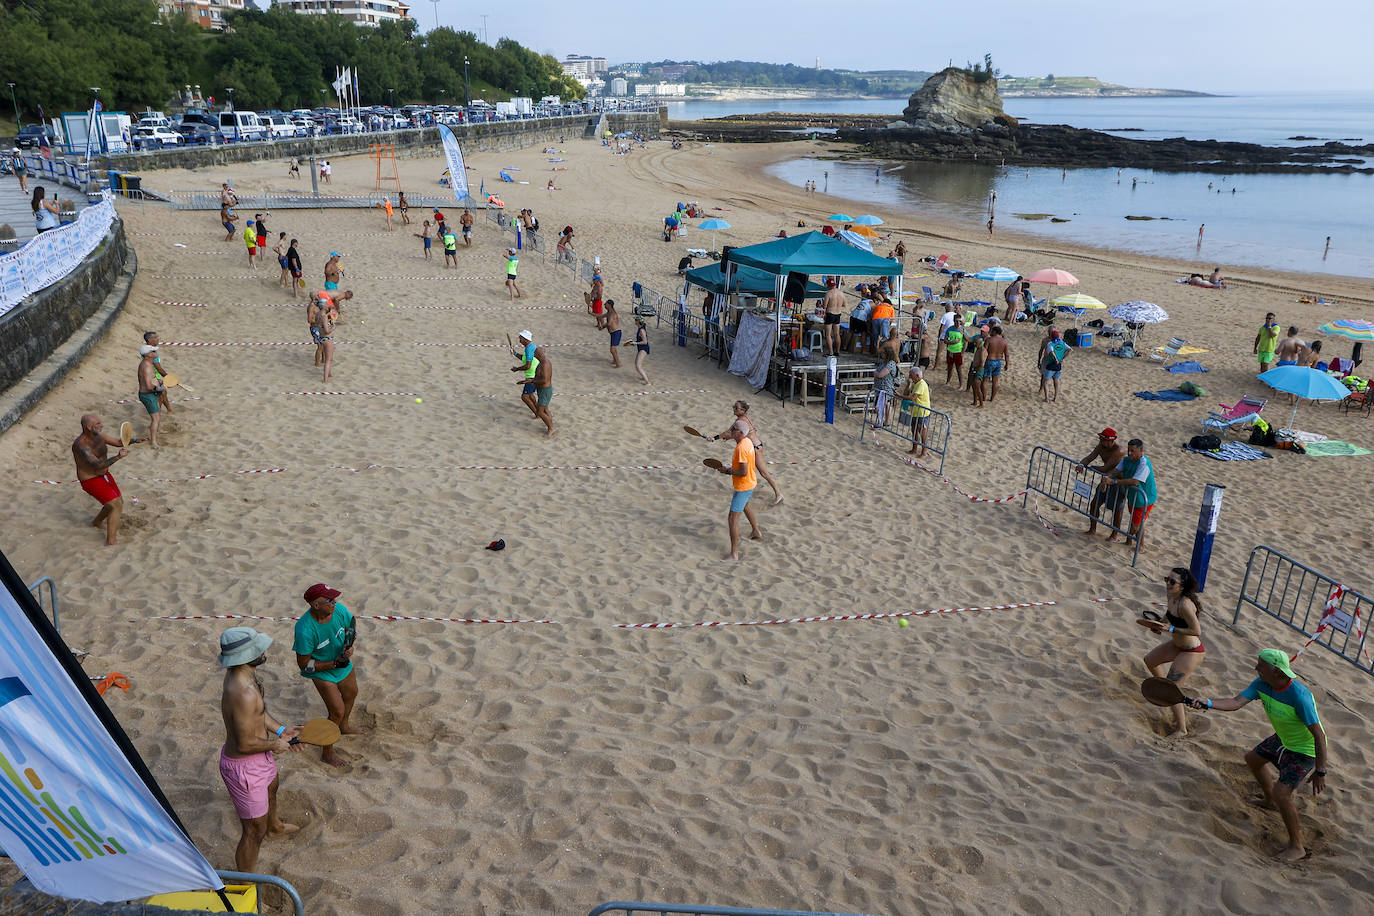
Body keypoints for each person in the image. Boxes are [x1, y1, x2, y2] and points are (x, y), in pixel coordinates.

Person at [1187, 649, 1328, 862]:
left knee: (1283, 793)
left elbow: (1319, 736)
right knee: (1252, 759)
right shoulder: (1262, 684)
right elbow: (1235, 702)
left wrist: (1320, 771)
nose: (1256, 668)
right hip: (1283, 739)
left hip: (1304, 750)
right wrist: (1207, 702)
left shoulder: (1300, 697)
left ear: (1278, 673)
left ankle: (1297, 847)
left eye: (1261, 665)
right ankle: (1269, 801)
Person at [217, 626, 301, 872]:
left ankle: (275, 826)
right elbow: (244, 744)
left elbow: (259, 715)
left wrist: (281, 731)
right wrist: (275, 745)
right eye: (258, 648)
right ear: (245, 656)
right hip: (244, 767)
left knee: (272, 786)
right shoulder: (242, 692)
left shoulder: (246, 676)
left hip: (259, 756)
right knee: (254, 831)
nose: (264, 650)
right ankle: (245, 882)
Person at [293, 584, 363, 768]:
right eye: (329, 600)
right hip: (322, 671)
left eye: (334, 599)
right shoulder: (305, 629)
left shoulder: (339, 610)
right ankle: (327, 753)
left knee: (351, 693)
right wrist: (332, 664)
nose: (335, 603)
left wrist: (349, 646)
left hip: (341, 663)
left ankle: (344, 727)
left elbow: (351, 627)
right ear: (316, 605)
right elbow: (303, 665)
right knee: (336, 712)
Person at [1141, 567, 1206, 736]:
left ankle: (1182, 729)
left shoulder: (1185, 604)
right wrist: (1160, 625)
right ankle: (1163, 690)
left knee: (1173, 690)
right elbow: (1169, 614)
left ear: (1182, 586)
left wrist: (1170, 628)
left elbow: (1196, 630)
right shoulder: (1171, 596)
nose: (1168, 584)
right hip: (1177, 644)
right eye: (1166, 579)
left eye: (1172, 582)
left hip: (1192, 651)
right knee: (1150, 660)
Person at [72, 414, 136, 546]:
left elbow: (119, 443)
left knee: (117, 502)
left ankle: (96, 522)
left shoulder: (99, 435)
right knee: (115, 505)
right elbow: (97, 465)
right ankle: (111, 541)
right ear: (89, 427)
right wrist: (118, 457)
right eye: (98, 424)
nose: (102, 426)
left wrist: (134, 440)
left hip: (104, 475)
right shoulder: (81, 445)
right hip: (90, 479)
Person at [715, 401, 782, 507]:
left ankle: (779, 494)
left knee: (763, 473)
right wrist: (729, 437)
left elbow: (728, 432)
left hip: (755, 449)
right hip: (754, 446)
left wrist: (714, 438)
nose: (734, 409)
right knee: (745, 469)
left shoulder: (741, 420)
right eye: (734, 407)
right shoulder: (744, 418)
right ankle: (743, 490)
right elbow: (737, 433)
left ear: (743, 410)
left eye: (736, 408)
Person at [716, 420, 763, 561]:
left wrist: (727, 471)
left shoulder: (741, 448)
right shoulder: (747, 441)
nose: (731, 430)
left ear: (741, 433)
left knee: (732, 518)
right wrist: (722, 436)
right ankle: (756, 531)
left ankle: (734, 554)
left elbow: (742, 472)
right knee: (745, 506)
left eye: (734, 429)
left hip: (743, 485)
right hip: (750, 482)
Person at [1099, 438, 1156, 550]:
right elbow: (1115, 471)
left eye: (1133, 451)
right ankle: (1130, 542)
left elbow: (1135, 481)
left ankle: (1140, 546)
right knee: (1137, 521)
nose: (1129, 453)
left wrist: (1114, 481)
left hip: (1145, 498)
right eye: (1129, 450)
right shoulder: (1126, 459)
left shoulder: (1144, 464)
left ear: (1141, 451)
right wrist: (1107, 478)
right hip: (1133, 496)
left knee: (1136, 525)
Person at [1080, 428, 1127, 537]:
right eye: (1101, 439)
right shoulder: (1101, 446)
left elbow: (1105, 468)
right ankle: (1092, 529)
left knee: (1116, 510)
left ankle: (1114, 535)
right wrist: (1081, 465)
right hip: (1106, 479)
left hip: (1118, 482)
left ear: (1111, 441)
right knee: (1094, 504)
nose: (1101, 441)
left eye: (1103, 439)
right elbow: (1089, 457)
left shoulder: (1119, 451)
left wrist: (1091, 467)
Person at [136, 345, 165, 448]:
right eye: (153, 351)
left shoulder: (147, 363)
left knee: (157, 415)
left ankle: (158, 430)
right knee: (155, 418)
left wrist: (159, 381)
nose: (155, 352)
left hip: (149, 394)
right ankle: (153, 442)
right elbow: (148, 386)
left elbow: (149, 380)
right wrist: (159, 388)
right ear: (148, 354)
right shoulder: (147, 367)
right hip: (148, 395)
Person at [901, 366, 930, 457]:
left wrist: (898, 395)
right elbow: (906, 393)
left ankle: (924, 452)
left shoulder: (921, 384)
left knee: (922, 432)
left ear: (917, 376)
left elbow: (912, 398)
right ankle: (914, 449)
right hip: (915, 412)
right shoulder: (915, 383)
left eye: (911, 375)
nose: (909, 377)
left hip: (922, 413)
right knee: (914, 430)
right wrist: (907, 385)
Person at [511, 329, 539, 416]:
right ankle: (538, 411)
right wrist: (515, 354)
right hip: (535, 374)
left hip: (532, 376)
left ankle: (538, 413)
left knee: (525, 397)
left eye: (520, 338)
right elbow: (525, 358)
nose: (519, 340)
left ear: (525, 339)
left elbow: (527, 366)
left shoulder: (528, 349)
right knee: (530, 395)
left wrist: (517, 369)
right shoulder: (531, 346)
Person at [1038, 328, 1069, 402]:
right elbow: (1041, 350)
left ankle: (1047, 398)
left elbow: (1051, 351)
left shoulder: (1051, 343)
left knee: (1049, 379)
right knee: (1047, 377)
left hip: (1051, 362)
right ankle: (1041, 390)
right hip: (1050, 361)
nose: (1050, 334)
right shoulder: (1047, 340)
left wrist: (1060, 358)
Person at [532, 344, 555, 437]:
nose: (534, 355)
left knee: (540, 411)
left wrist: (533, 381)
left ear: (540, 354)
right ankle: (550, 424)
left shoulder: (545, 364)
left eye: (535, 354)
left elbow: (544, 380)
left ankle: (551, 427)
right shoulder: (542, 362)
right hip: (543, 389)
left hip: (545, 390)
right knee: (545, 409)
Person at [982, 325, 1009, 402]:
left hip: (989, 360)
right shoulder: (1004, 342)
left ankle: (983, 398)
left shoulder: (989, 340)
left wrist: (982, 361)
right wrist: (1007, 364)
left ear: (995, 332)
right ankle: (992, 398)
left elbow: (984, 351)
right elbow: (1007, 354)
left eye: (991, 331)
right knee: (995, 381)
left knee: (985, 380)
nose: (990, 332)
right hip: (999, 361)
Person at [872, 350, 898, 427]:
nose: (882, 354)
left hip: (886, 389)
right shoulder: (883, 363)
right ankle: (881, 421)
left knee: (884, 405)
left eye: (883, 353)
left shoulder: (891, 364)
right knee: (883, 405)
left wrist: (876, 374)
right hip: (880, 388)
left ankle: (883, 421)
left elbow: (880, 374)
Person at [314, 297, 335, 383]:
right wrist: (333, 327)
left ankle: (329, 373)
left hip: (322, 338)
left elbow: (321, 326)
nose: (328, 305)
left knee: (328, 358)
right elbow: (327, 331)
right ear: (323, 306)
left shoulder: (318, 314)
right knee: (328, 360)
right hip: (327, 338)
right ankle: (325, 379)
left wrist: (330, 323)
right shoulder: (324, 316)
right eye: (326, 304)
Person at [944, 314, 967, 389]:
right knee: (950, 367)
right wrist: (951, 342)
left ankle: (961, 385)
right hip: (950, 351)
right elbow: (945, 340)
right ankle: (948, 382)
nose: (958, 323)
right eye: (956, 321)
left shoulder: (962, 330)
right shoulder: (949, 329)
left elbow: (966, 342)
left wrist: (963, 352)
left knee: (959, 369)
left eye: (959, 321)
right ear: (954, 321)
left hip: (958, 352)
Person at [628, 317, 650, 385]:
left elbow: (645, 342)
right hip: (641, 348)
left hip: (644, 348)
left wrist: (635, 343)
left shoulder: (641, 330)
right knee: (637, 364)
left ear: (638, 322)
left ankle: (648, 382)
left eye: (636, 320)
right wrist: (633, 343)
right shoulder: (640, 329)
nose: (635, 321)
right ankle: (643, 377)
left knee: (638, 365)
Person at [605, 300, 623, 368]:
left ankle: (618, 364)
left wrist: (602, 326)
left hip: (616, 332)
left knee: (612, 349)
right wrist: (592, 313)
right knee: (613, 349)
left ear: (609, 305)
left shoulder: (612, 314)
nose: (604, 305)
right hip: (613, 333)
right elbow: (601, 315)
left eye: (605, 304)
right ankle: (614, 360)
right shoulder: (609, 312)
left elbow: (609, 323)